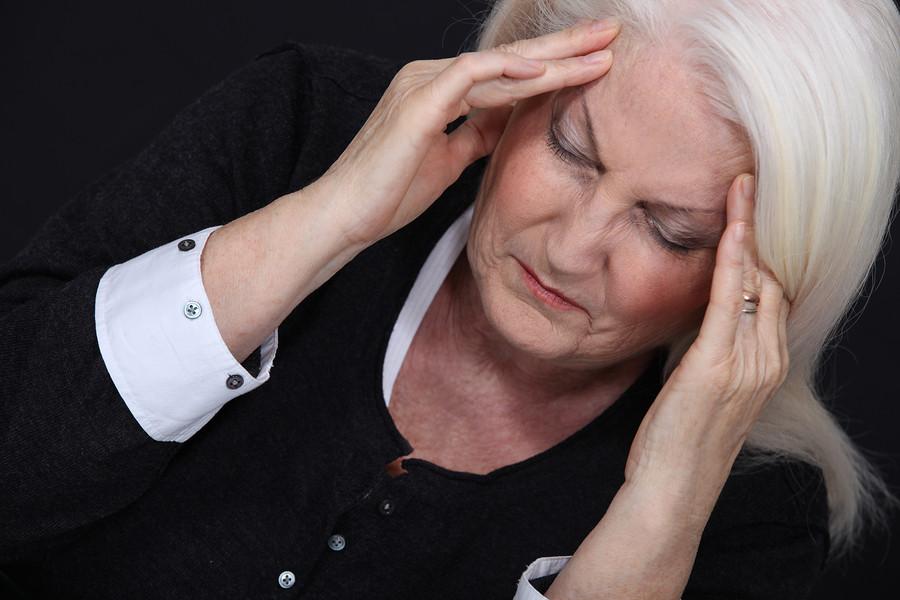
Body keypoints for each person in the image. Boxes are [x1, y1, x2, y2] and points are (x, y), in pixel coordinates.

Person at [1, 0, 898, 598]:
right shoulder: (303, 127)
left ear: (766, 272)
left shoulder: (745, 513)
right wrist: (325, 221)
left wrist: (660, 510)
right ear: (512, 81)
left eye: (670, 231)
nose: (573, 249)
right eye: (572, 151)